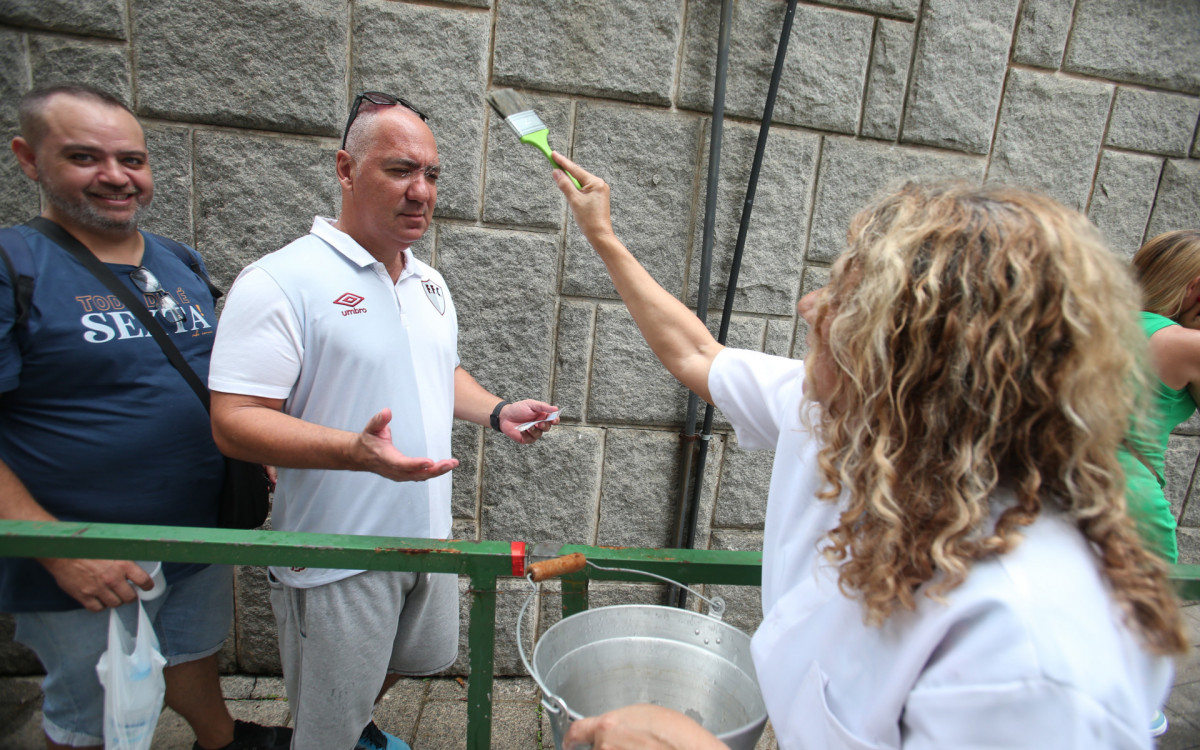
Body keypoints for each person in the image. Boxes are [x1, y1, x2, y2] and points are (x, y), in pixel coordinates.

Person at [548, 153, 1186, 749]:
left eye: (846, 298)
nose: (809, 307)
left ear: (917, 360)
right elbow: (695, 353)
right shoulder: (846, 417)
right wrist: (603, 236)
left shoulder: (1031, 649)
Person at [207, 91, 559, 750]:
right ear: (346, 169)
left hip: (429, 540)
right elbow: (234, 421)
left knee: (410, 663)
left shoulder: (429, 283)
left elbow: (437, 371)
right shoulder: (281, 280)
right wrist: (354, 451)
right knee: (325, 727)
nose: (421, 191)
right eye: (400, 170)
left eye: (431, 174)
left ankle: (353, 728)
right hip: (337, 556)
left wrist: (496, 411)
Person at [0, 86, 290, 750]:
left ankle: (220, 738)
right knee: (89, 712)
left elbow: (217, 377)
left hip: (195, 535)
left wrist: (257, 442)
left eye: (131, 159)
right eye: (84, 157)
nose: (116, 176)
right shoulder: (14, 264)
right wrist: (61, 550)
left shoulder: (177, 262)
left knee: (191, 650)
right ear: (29, 158)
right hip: (83, 551)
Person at [1119, 230, 1200, 565]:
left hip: (1045, 481)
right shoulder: (1186, 345)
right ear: (1196, 287)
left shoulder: (1087, 323)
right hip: (1127, 500)